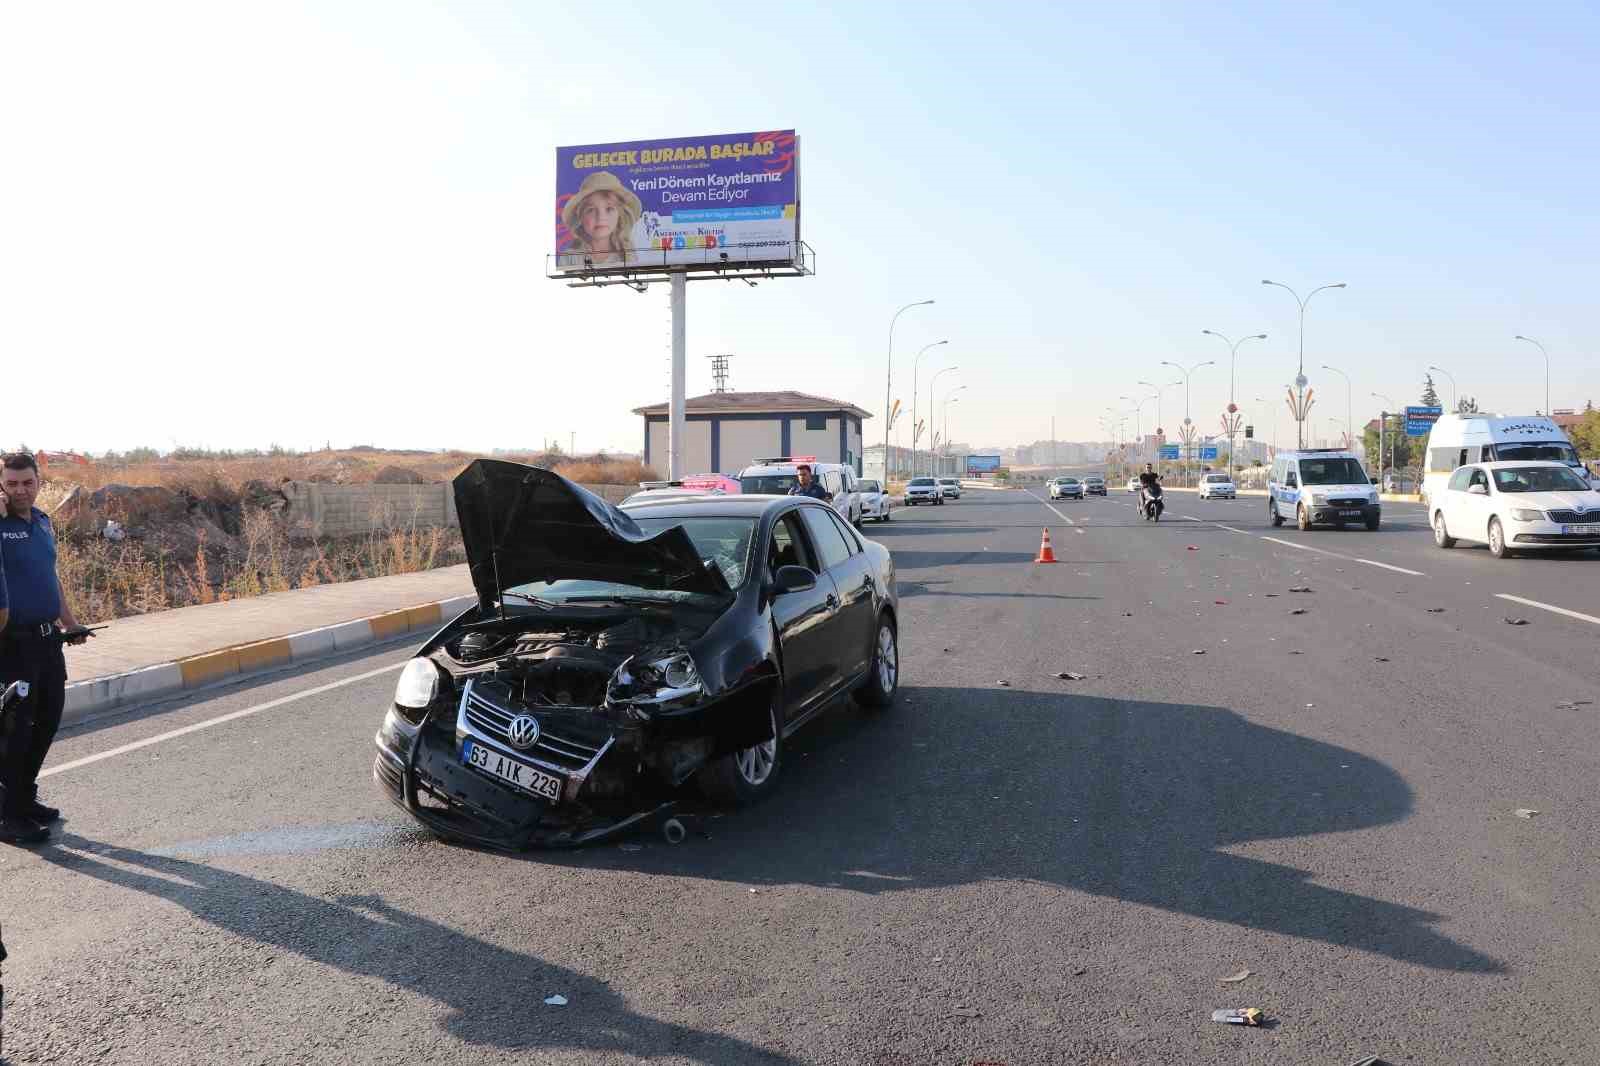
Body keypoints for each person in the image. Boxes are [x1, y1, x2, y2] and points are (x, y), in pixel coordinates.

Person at [0, 452, 92, 846]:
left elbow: (48, 576)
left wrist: (68, 623)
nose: (20, 490)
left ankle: (22, 796)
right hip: (10, 644)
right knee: (15, 730)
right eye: (11, 483)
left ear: (39, 481)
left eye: (27, 482)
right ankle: (8, 816)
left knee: (48, 720)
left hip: (46, 640)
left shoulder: (43, 522)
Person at [558, 171, 643, 269]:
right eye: (591, 210)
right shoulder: (570, 257)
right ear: (580, 217)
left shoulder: (628, 256)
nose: (600, 217)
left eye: (609, 209)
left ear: (619, 215)